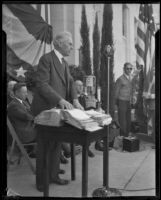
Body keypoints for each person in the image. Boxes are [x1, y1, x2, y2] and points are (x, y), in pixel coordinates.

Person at [31, 31, 83, 191]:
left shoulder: (64, 63)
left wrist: (74, 99)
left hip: (58, 112)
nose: (72, 47)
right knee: (45, 146)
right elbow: (42, 84)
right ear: (59, 43)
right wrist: (60, 100)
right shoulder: (46, 59)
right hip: (45, 111)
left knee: (56, 145)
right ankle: (41, 181)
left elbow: (71, 82)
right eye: (70, 44)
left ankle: (53, 176)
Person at [7, 83, 37, 157]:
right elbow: (27, 116)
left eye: (26, 92)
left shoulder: (22, 102)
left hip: (29, 129)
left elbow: (31, 112)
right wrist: (38, 117)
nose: (26, 94)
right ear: (17, 93)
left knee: (50, 131)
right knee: (49, 133)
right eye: (24, 92)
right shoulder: (13, 105)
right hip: (25, 135)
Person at [75, 80, 95, 157]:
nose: (81, 87)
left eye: (82, 85)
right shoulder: (72, 97)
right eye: (79, 85)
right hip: (75, 119)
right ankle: (85, 148)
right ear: (74, 87)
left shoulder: (83, 97)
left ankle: (86, 148)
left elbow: (85, 109)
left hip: (83, 118)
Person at [114, 62, 135, 137]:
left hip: (128, 102)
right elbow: (115, 93)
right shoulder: (120, 79)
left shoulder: (130, 78)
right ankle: (123, 138)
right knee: (122, 121)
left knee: (128, 120)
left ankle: (126, 138)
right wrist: (116, 106)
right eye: (127, 68)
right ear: (124, 69)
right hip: (121, 101)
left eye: (130, 68)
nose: (129, 70)